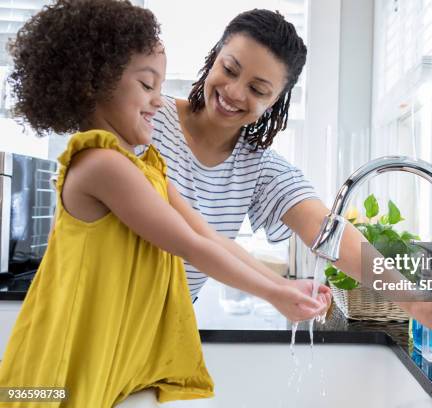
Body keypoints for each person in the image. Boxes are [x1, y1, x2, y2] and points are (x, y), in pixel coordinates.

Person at [0, 1, 328, 406]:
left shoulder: (145, 165)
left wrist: (284, 286)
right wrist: (273, 293)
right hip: (58, 363)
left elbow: (206, 234)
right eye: (146, 85)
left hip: (110, 348)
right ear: (95, 82)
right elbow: (192, 247)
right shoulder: (103, 165)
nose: (159, 100)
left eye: (259, 89)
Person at [148, 8, 432, 341]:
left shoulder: (259, 168)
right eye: (230, 68)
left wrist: (414, 300)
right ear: (214, 57)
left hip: (165, 328)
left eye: (258, 90)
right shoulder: (144, 118)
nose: (235, 92)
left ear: (275, 103)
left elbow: (328, 231)